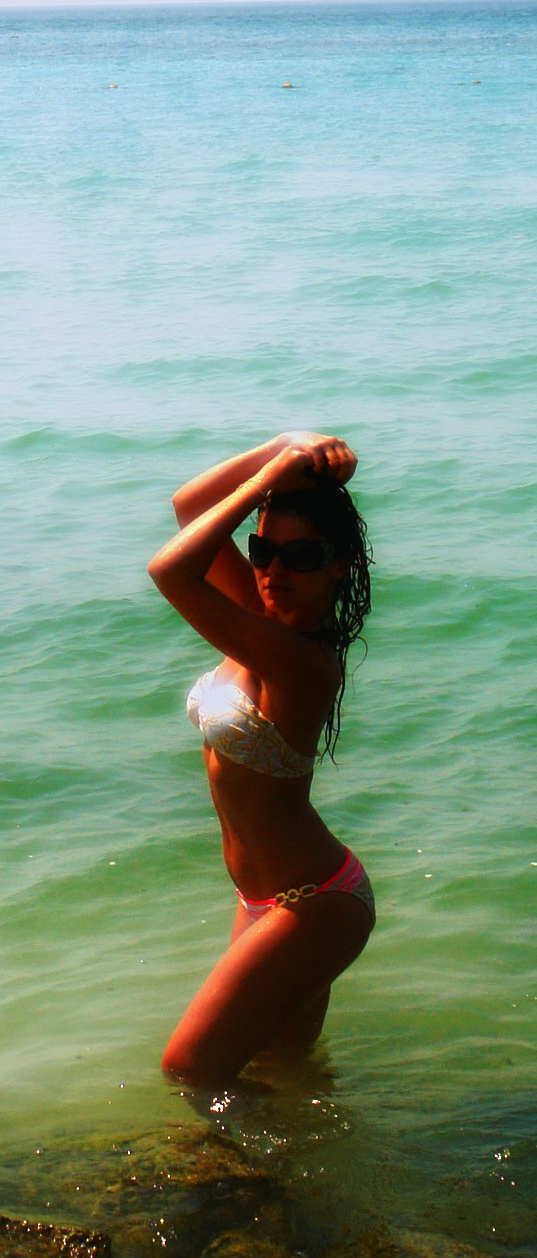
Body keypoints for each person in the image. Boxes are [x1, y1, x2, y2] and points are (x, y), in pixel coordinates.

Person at [147, 431, 375, 1084]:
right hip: (262, 897)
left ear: (340, 565)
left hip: (314, 902)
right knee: (283, 1070)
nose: (275, 572)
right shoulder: (259, 614)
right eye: (262, 551)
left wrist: (272, 478)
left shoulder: (303, 663)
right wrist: (286, 445)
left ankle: (234, 1157)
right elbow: (188, 508)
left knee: (191, 1067)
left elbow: (170, 570)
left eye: (300, 557)